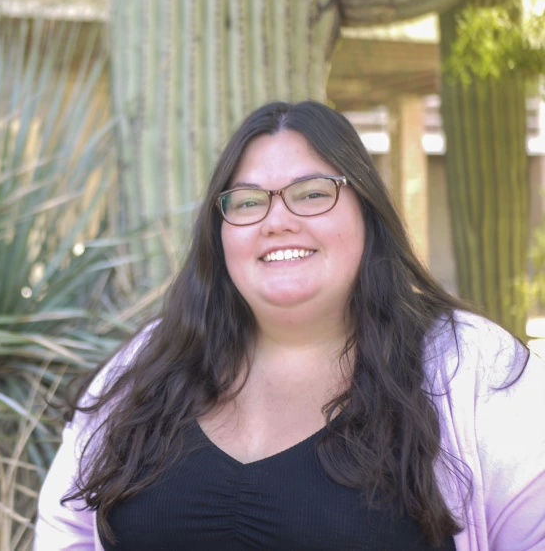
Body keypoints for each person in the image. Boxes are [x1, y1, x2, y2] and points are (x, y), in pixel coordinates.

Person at [35, 101, 545, 550]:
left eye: (311, 193)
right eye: (249, 201)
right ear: (220, 233)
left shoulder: (470, 364)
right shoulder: (151, 361)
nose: (277, 220)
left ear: (367, 212)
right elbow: (67, 529)